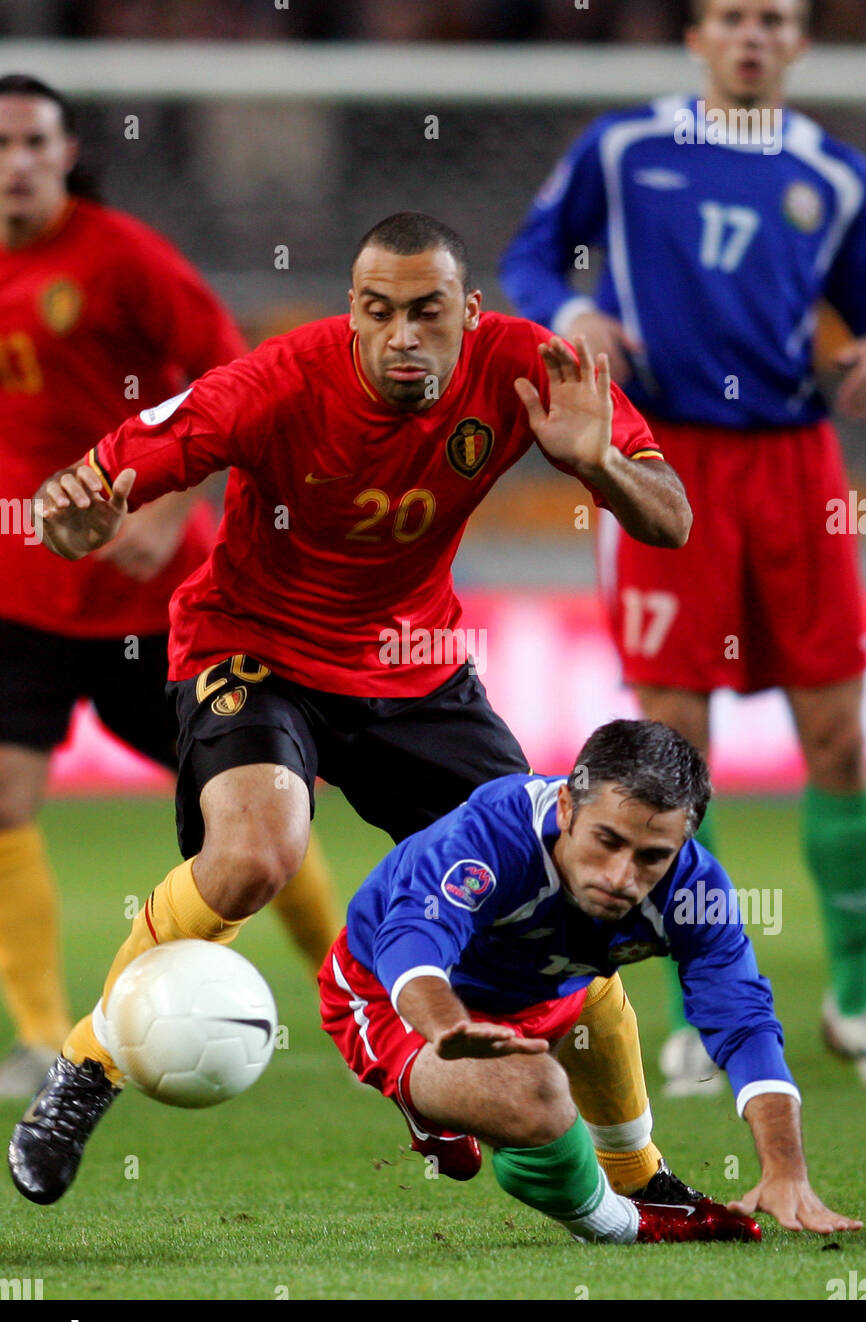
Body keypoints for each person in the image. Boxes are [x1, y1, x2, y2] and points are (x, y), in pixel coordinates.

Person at [9, 210, 694, 1207]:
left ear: (469, 312)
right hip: (252, 647)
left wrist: (597, 464)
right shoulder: (281, 379)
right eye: (377, 313)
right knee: (252, 856)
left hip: (414, 670)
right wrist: (75, 516)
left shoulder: (528, 366)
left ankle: (643, 1178)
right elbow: (115, 472)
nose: (400, 337)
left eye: (424, 313)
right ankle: (84, 1071)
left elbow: (668, 518)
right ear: (351, 313)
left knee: (556, 891)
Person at [500, 0, 866, 1092]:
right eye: (727, 15)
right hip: (661, 459)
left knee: (838, 734)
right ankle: (687, 1009)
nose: (749, 34)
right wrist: (570, 306)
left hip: (794, 463)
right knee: (668, 749)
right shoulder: (622, 147)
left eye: (772, 18)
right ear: (695, 37)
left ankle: (850, 986)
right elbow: (530, 258)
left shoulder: (833, 177)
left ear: (798, 44)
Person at [0, 74, 341, 1096]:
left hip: (152, 600)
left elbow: (228, 373)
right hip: (20, 585)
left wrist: (161, 509)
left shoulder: (122, 260)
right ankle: (41, 1033)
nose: (14, 162)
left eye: (33, 143)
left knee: (251, 811)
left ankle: (346, 982)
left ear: (67, 155)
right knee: (4, 798)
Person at [320, 718, 861, 1242]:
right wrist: (445, 1027)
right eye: (607, 840)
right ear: (565, 807)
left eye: (652, 857)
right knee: (538, 1094)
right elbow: (410, 941)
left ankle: (640, 1178)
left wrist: (785, 1167)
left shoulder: (696, 892)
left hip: (543, 986)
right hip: (393, 998)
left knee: (597, 987)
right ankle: (629, 1226)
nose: (621, 877)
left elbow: (742, 1021)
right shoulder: (492, 835)